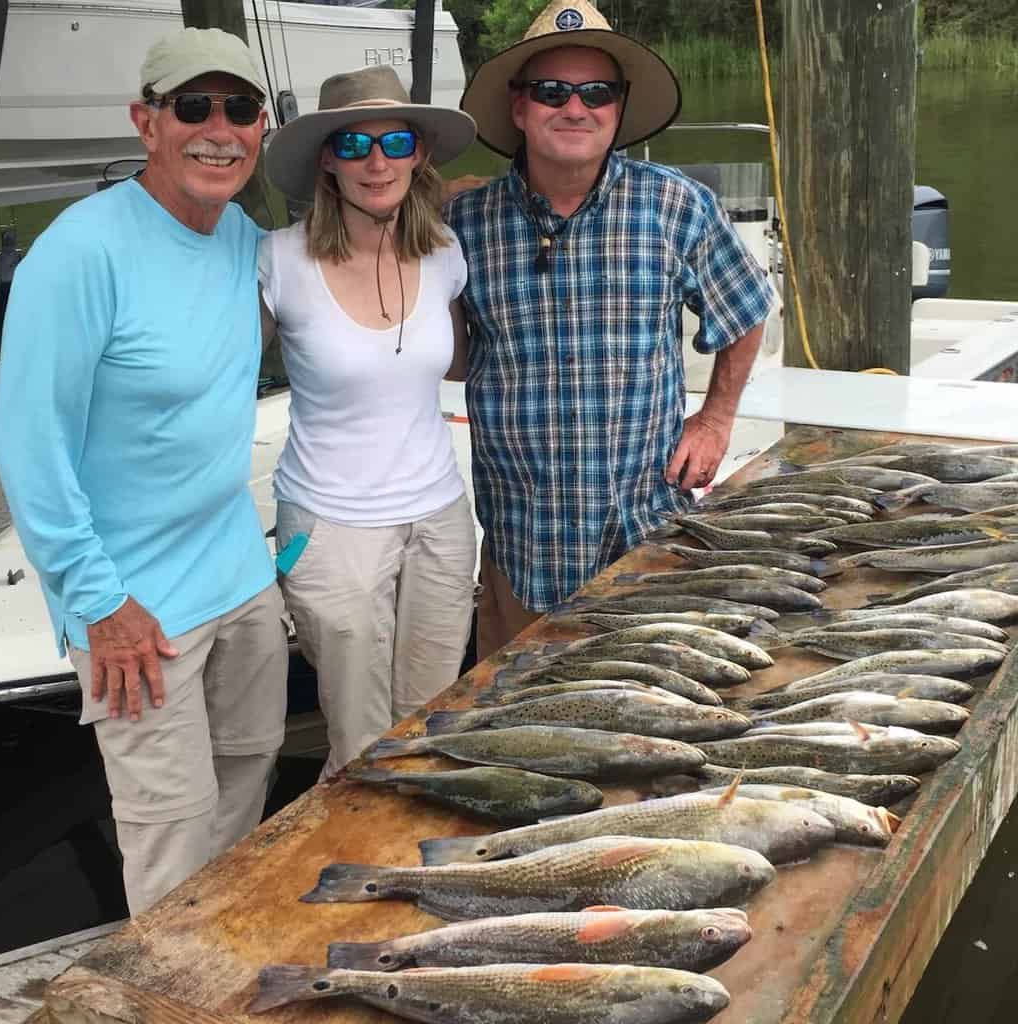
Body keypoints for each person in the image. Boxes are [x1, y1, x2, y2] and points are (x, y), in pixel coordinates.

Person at [0, 28, 288, 915]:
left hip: (239, 573)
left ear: (262, 127)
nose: (218, 128)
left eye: (239, 109)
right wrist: (99, 606)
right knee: (170, 833)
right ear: (145, 122)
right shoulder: (78, 253)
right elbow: (29, 449)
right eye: (191, 106)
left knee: (247, 785)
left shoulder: (239, 233)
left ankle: (223, 966)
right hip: (134, 611)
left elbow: (344, 242)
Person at [444, 0, 775, 659]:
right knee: (513, 724)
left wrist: (714, 420)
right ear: (518, 108)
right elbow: (447, 356)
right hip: (520, 546)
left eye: (596, 92)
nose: (575, 108)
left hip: (647, 532)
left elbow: (746, 310)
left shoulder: (678, 204)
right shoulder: (465, 220)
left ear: (618, 108)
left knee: (648, 724)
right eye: (551, 92)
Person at [259, 66, 478, 778]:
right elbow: (215, 379)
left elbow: (453, 362)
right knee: (358, 737)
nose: (376, 161)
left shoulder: (445, 252)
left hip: (440, 517)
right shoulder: (279, 261)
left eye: (396, 141)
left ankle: (415, 864)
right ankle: (347, 867)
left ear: (420, 154)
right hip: (327, 527)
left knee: (434, 721)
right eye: (353, 143)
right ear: (327, 159)